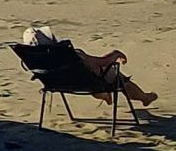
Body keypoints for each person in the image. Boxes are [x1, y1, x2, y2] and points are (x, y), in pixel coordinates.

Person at [22, 25, 159, 107]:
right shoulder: (69, 54)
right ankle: (144, 98)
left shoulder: (34, 59)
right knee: (117, 77)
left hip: (60, 84)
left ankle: (104, 96)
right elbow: (100, 62)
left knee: (87, 76)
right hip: (90, 82)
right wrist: (116, 54)